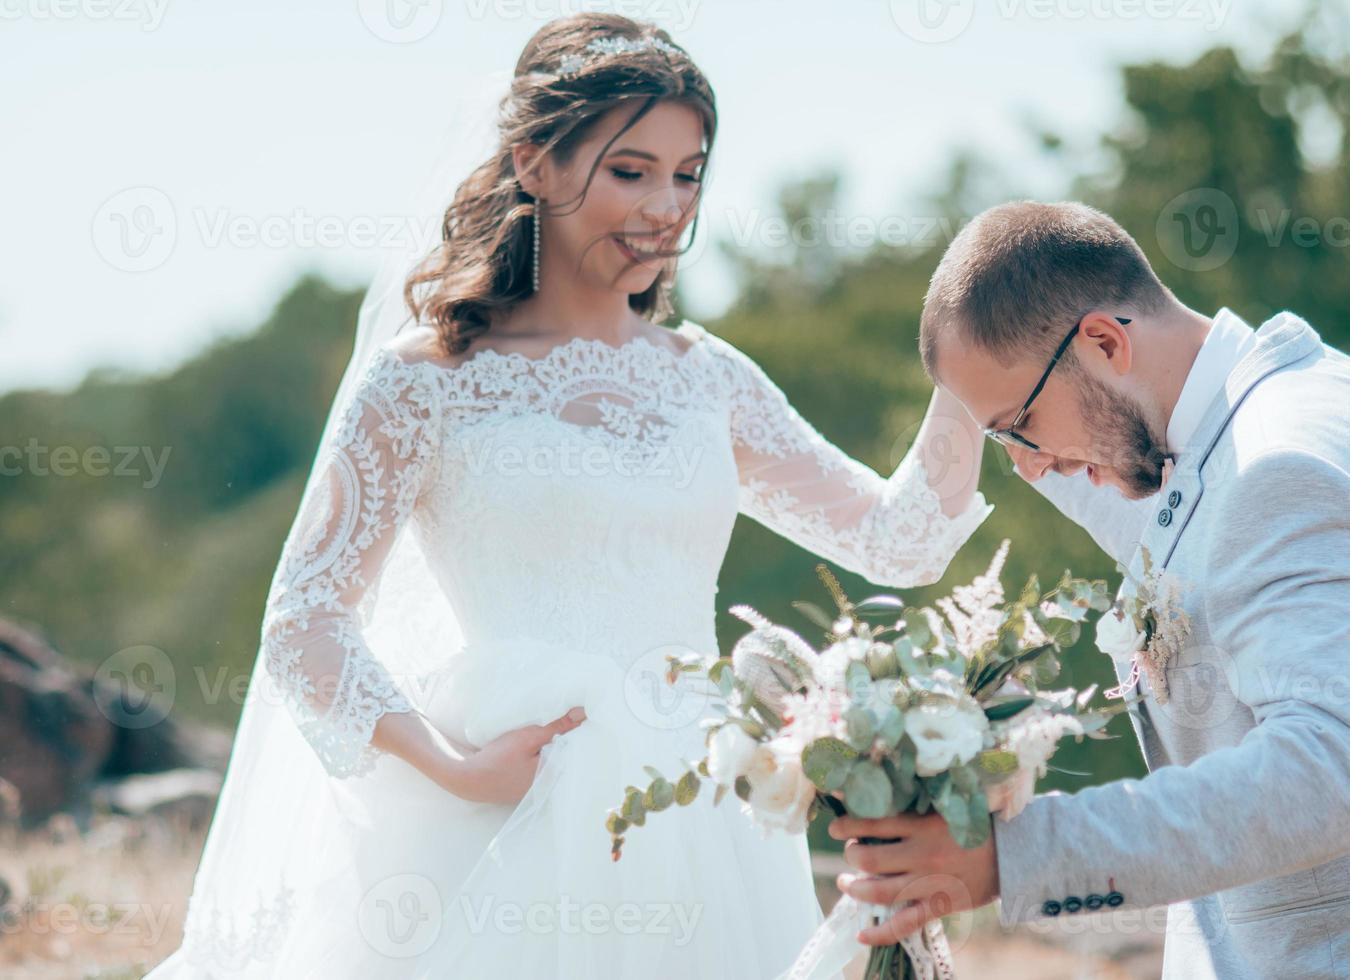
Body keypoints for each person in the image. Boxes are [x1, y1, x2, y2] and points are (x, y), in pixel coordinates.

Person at [148, 14, 992, 978]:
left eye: (688, 174)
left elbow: (902, 541)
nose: (666, 205)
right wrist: (453, 768)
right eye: (631, 171)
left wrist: (969, 344)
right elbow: (305, 617)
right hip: (502, 806)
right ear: (535, 164)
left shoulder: (708, 378)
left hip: (700, 815)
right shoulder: (425, 380)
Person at [831, 200, 1350, 978]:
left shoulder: (1281, 470)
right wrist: (987, 362)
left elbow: (1330, 774)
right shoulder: (1267, 409)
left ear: (1104, 340)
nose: (1029, 465)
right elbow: (1137, 491)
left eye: (1020, 427)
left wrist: (1011, 855)